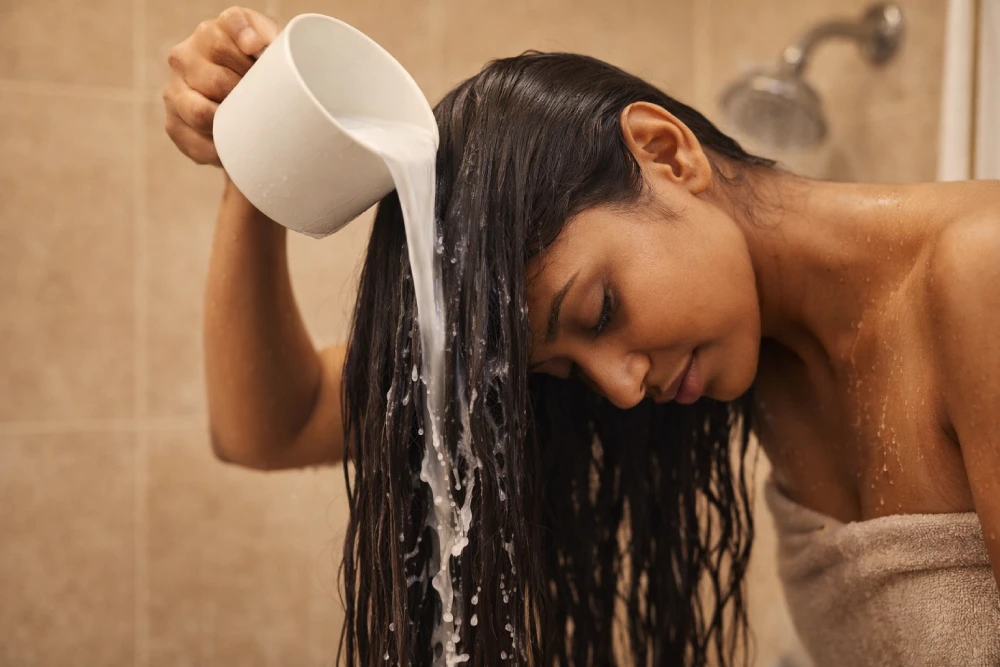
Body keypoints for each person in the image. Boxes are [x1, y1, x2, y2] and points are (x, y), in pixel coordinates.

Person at [164, 7, 1000, 666]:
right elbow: (270, 423)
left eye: (599, 312)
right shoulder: (756, 354)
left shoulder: (978, 274)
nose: (620, 386)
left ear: (666, 152)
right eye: (564, 367)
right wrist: (252, 161)